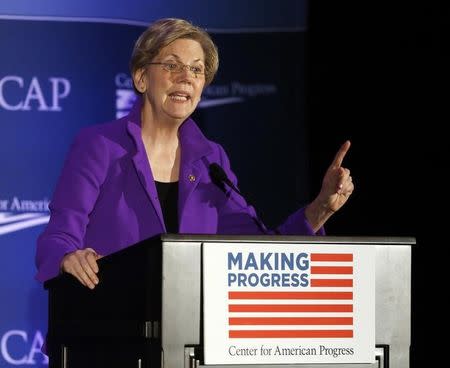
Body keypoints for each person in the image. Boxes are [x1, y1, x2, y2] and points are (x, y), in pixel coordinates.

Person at [35, 18, 353, 289]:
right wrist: (68, 258)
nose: (186, 76)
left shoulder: (211, 159)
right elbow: (58, 238)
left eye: (196, 70)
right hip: (111, 331)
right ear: (142, 78)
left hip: (187, 343)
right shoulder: (100, 145)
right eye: (172, 65)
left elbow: (261, 252)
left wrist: (320, 208)